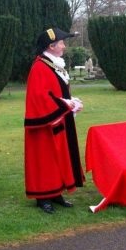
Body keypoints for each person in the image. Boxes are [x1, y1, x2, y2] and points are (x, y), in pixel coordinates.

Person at [24, 27, 85, 214]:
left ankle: (56, 192)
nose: (64, 46)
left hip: (59, 122)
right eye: (61, 43)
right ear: (51, 46)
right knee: (45, 159)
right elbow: (40, 98)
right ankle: (43, 197)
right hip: (44, 126)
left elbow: (56, 91)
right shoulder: (39, 67)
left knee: (59, 157)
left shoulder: (52, 64)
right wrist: (66, 104)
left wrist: (71, 102)